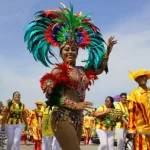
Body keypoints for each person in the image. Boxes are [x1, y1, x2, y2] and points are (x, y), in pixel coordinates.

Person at [24, 3, 117, 150]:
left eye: (73, 49)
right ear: (61, 52)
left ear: (77, 52)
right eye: (66, 49)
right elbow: (51, 96)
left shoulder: (81, 70)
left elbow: (99, 69)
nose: (70, 52)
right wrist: (75, 104)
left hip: (78, 118)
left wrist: (107, 52)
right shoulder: (58, 70)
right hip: (62, 116)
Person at [127, 69, 150, 150]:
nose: (144, 78)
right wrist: (131, 129)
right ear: (136, 80)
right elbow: (131, 113)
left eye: (145, 76)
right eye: (141, 77)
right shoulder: (134, 94)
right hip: (140, 130)